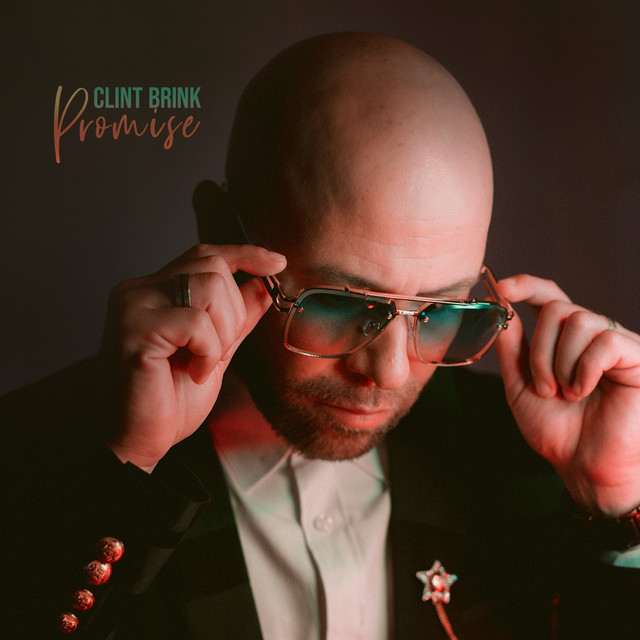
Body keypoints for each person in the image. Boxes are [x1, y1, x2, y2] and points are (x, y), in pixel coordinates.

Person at [2, 32, 640, 639]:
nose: (389, 373)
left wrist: (617, 497)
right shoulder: (33, 461)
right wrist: (124, 470)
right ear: (220, 229)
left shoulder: (531, 466)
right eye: (339, 303)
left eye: (440, 309)